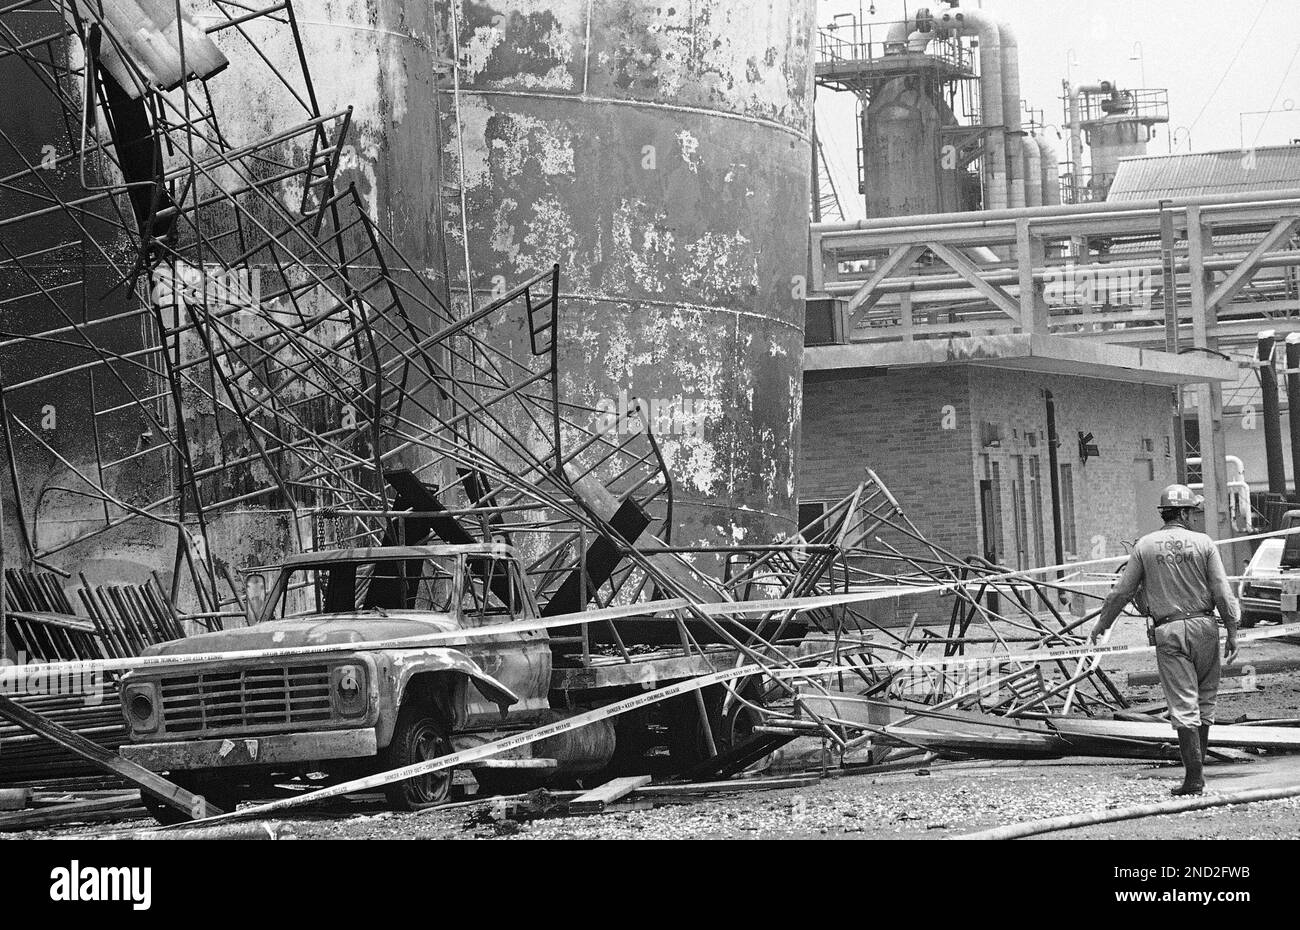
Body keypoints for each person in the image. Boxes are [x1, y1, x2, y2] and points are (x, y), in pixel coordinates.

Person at [1090, 485, 1240, 796]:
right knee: (1205, 699)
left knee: (1183, 703)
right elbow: (1222, 591)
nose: (1195, 517)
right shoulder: (1204, 544)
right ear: (1184, 513)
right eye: (1192, 512)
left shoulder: (1146, 546)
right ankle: (1197, 775)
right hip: (1205, 626)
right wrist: (1233, 630)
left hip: (1169, 630)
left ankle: (1194, 778)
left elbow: (1122, 592)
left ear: (1165, 513)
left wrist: (1102, 624)